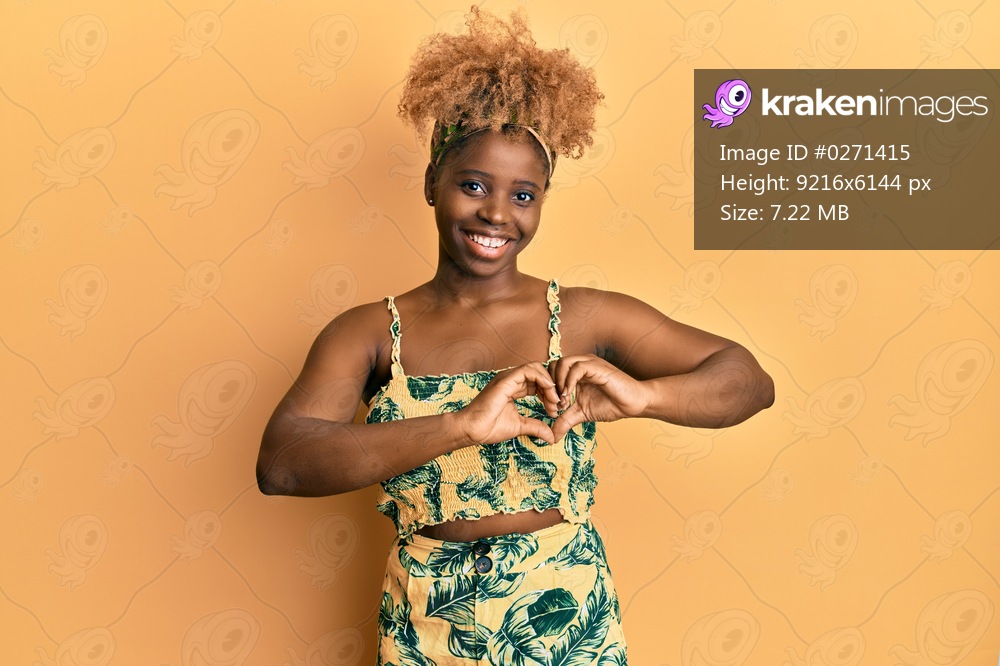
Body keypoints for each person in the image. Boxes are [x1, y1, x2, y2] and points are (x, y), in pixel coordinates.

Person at [257, 7, 774, 664]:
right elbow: (282, 464)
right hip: (428, 628)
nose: (497, 213)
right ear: (431, 184)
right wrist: (461, 426)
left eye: (523, 195)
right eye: (473, 185)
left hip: (568, 623)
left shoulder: (586, 316)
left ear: (542, 201)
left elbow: (749, 382)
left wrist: (647, 398)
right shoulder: (367, 333)